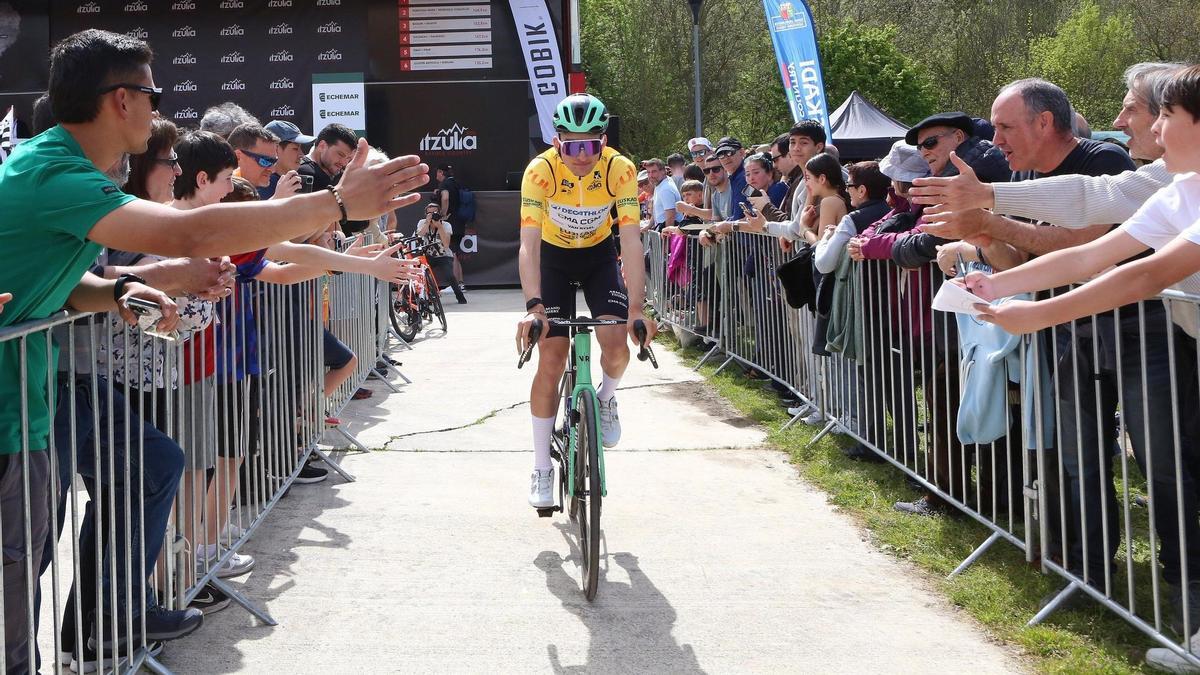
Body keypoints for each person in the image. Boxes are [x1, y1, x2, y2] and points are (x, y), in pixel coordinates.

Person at [0, 28, 427, 665]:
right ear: (121, 100)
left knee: (41, 555)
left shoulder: (63, 169)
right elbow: (193, 231)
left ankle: (105, 622)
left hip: (29, 403)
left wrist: (121, 292)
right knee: (15, 582)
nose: (157, 108)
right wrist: (337, 202)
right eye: (152, 94)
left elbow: (60, 284)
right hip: (14, 409)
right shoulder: (54, 173)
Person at [965, 65, 1200, 641]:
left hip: (1151, 337)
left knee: (1169, 466)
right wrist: (998, 285)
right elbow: (1094, 253)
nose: (1149, 129)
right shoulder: (1180, 188)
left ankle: (1190, 607)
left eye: (1165, 115)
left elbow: (1144, 275)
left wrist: (1036, 312)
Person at [515, 93, 655, 509]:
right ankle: (542, 467)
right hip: (553, 260)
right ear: (557, 142)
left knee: (617, 345)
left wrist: (636, 308)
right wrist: (534, 306)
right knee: (551, 358)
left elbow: (631, 240)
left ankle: (606, 398)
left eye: (590, 145)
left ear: (603, 141)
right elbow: (528, 244)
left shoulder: (620, 169)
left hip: (598, 257)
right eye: (571, 146)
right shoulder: (540, 172)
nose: (581, 155)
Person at [910, 62, 1183, 231]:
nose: (1117, 122)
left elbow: (1088, 203)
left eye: (1131, 109)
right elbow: (1100, 259)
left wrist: (987, 201)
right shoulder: (1170, 176)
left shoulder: (1108, 159)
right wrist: (982, 239)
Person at [414, 200, 468, 304]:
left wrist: (439, 226)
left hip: (443, 255)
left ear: (439, 213)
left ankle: (460, 296)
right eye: (429, 213)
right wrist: (427, 223)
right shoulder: (422, 222)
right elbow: (419, 235)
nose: (432, 215)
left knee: (449, 275)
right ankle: (426, 298)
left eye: (434, 213)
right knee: (422, 275)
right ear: (426, 214)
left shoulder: (446, 225)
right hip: (427, 255)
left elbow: (446, 244)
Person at [260, 120, 315, 200]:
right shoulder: (260, 185)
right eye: (295, 148)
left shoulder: (292, 182)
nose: (302, 155)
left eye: (300, 148)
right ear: (276, 149)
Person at [642, 157, 681, 230]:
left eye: (654, 171)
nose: (650, 175)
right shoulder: (661, 183)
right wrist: (649, 226)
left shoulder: (666, 189)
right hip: (661, 228)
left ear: (663, 171)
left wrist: (666, 234)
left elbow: (670, 217)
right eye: (648, 172)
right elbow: (656, 212)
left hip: (667, 231)